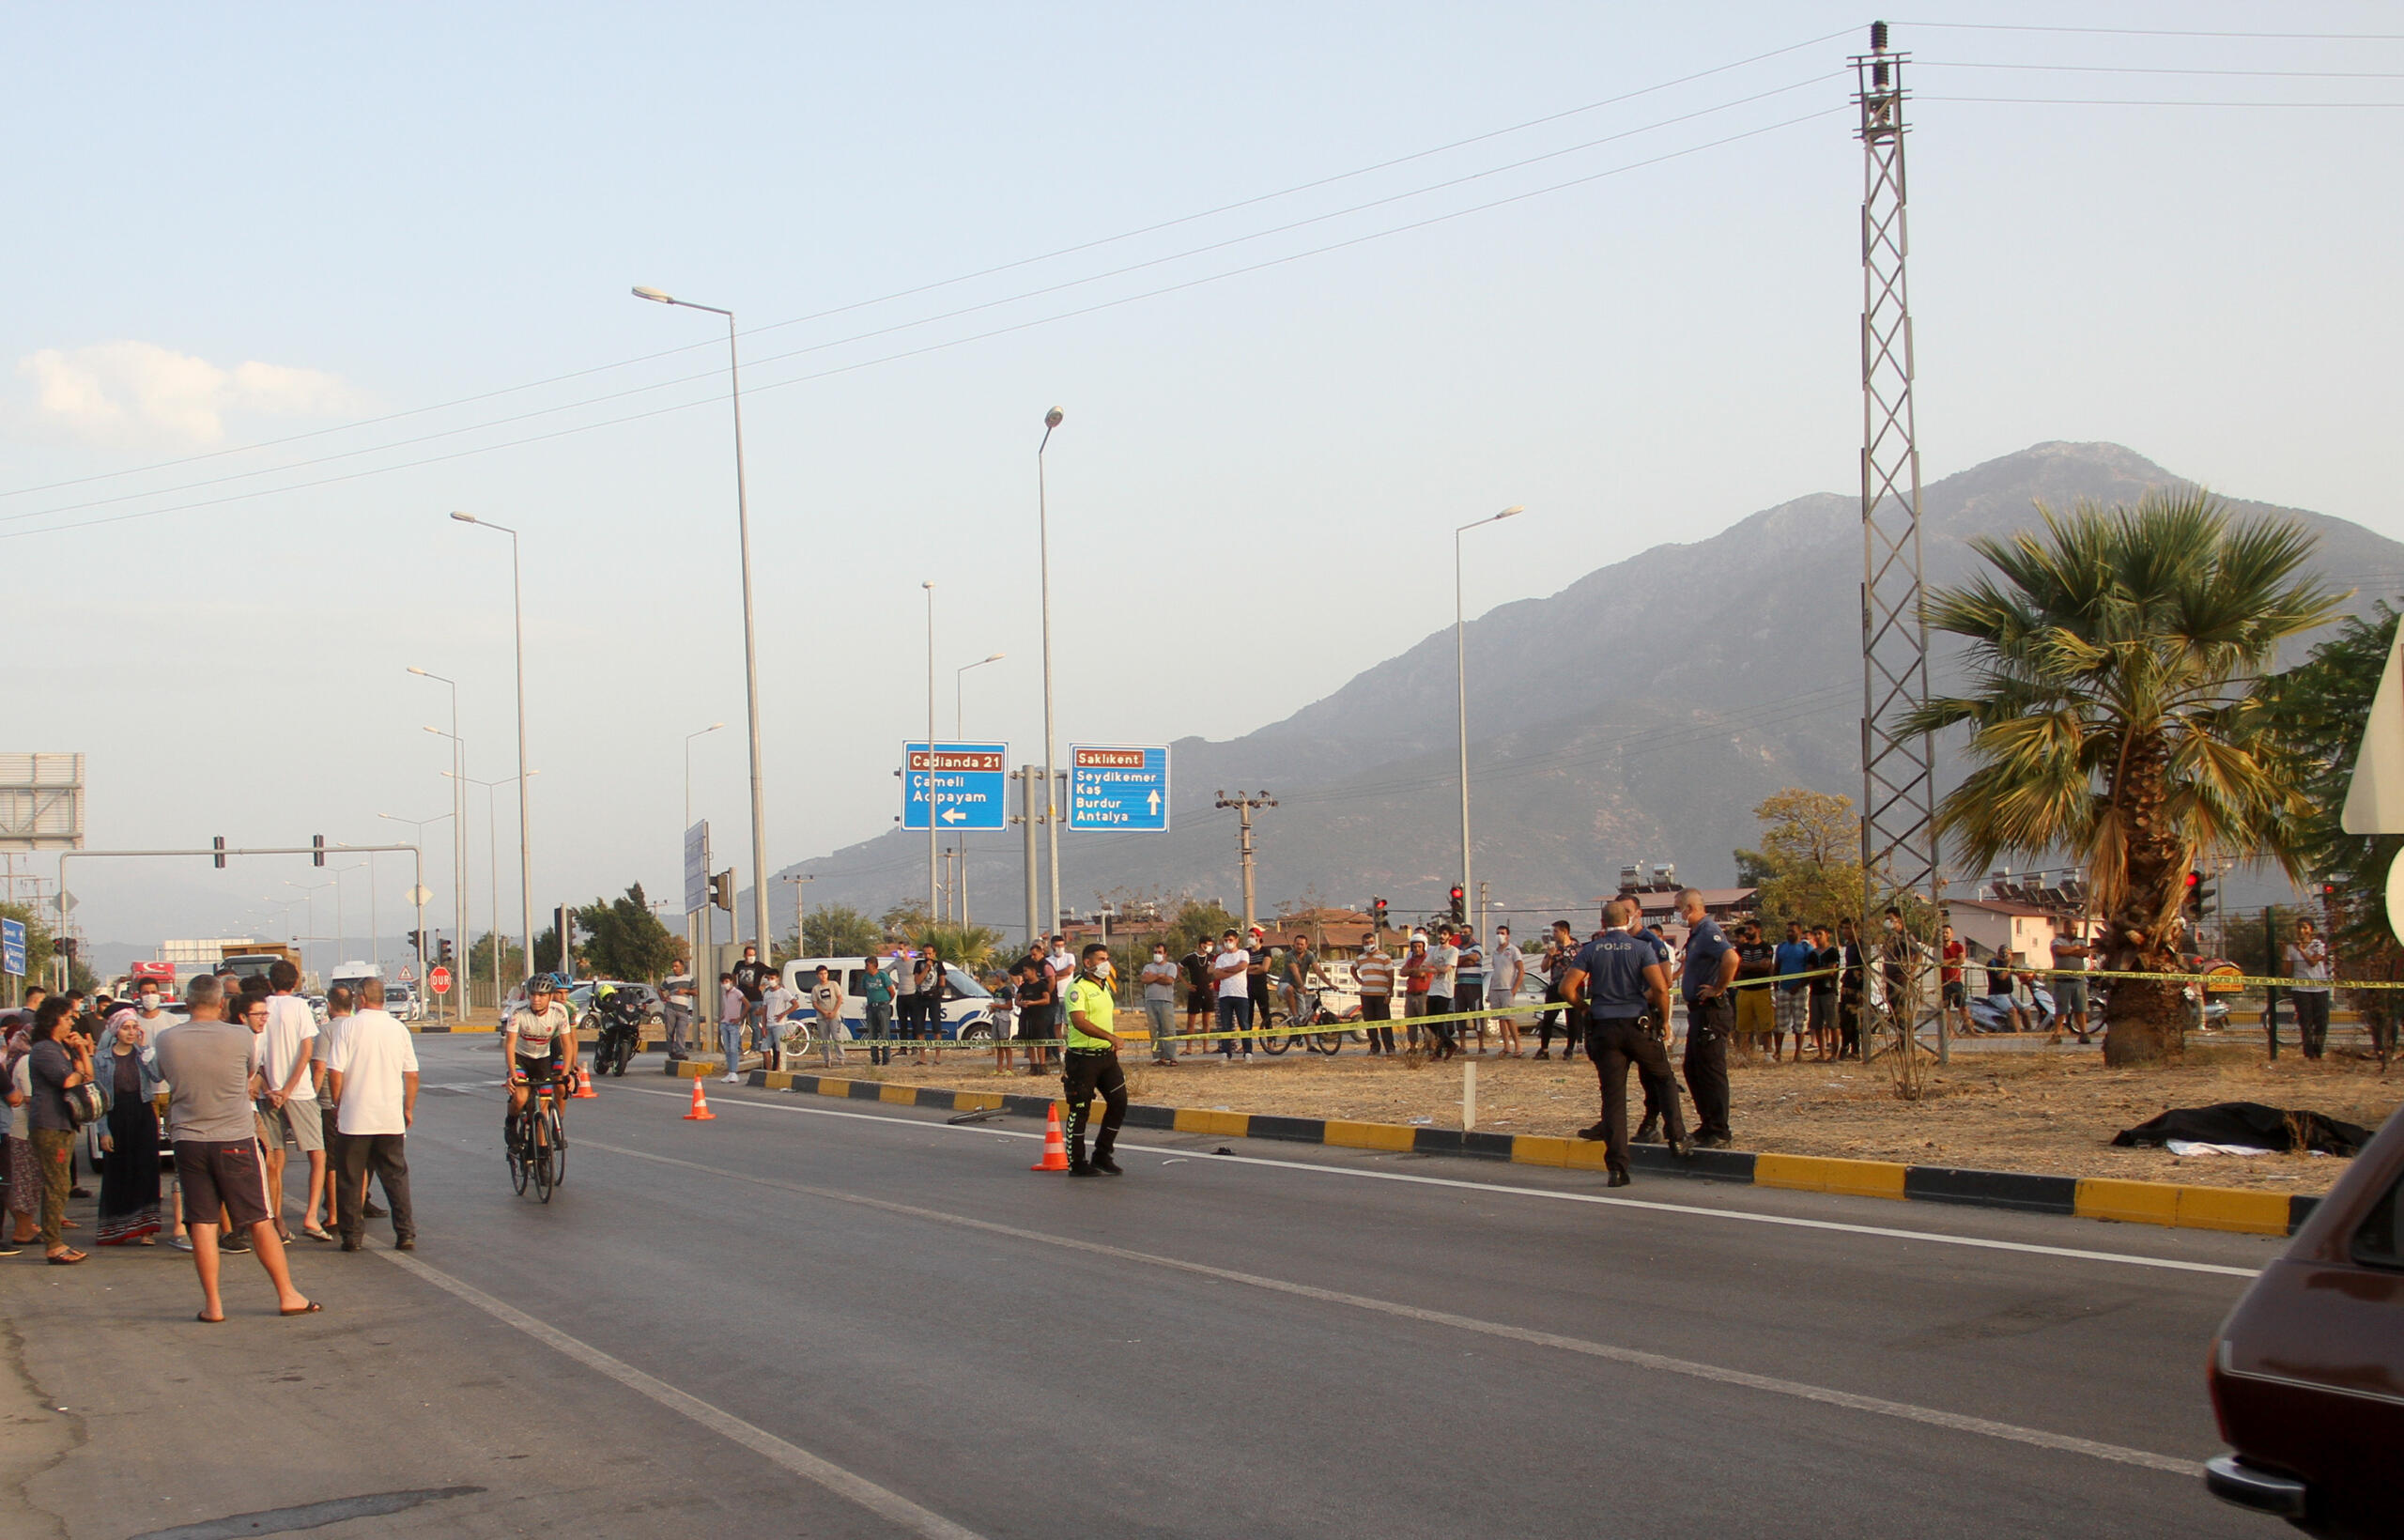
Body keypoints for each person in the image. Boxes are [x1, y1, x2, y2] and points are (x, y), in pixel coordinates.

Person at [150, 977, 316, 1317]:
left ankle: (213, 1305)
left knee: (204, 1222)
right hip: (235, 1138)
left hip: (189, 1140)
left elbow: (156, 1073)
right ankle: (287, 1294)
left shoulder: (167, 1039)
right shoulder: (242, 1037)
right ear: (222, 1003)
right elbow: (249, 1071)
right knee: (259, 1219)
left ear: (186, 1000)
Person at [1563, 898, 1689, 1187]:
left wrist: (1584, 1008)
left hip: (1605, 1030)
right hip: (1637, 1025)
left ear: (1603, 923)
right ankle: (1678, 1137)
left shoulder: (1591, 950)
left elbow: (1567, 987)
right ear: (1630, 920)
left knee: (1614, 1098)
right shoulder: (1642, 948)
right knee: (1663, 1078)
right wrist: (1665, 1020)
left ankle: (1617, 1168)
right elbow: (1659, 987)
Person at [325, 978, 418, 1253]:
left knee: (351, 1178)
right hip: (389, 1117)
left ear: (362, 998)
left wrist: (338, 1102)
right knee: (395, 1177)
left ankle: (352, 1236)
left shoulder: (348, 1027)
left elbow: (335, 1071)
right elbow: (411, 1074)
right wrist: (407, 1108)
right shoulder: (398, 1029)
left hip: (355, 1118)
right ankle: (405, 1232)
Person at [254, 959, 327, 1243]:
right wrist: (288, 1089)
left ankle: (277, 1220)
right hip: (299, 1092)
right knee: (317, 1154)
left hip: (267, 1091)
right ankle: (310, 1216)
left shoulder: (262, 1008)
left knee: (274, 1159)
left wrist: (272, 1088)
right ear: (295, 983)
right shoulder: (299, 1007)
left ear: (270, 983)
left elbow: (256, 1055)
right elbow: (306, 1051)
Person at [24, 999, 94, 1264]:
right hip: (49, 1123)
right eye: (67, 1018)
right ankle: (53, 1244)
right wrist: (76, 1071)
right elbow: (67, 1080)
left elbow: (86, 1076)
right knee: (56, 1184)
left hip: (64, 1121)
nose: (71, 1023)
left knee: (60, 1183)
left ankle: (54, 1239)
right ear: (53, 1020)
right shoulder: (44, 1050)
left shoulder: (62, 1048)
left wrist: (81, 1051)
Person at [94, 1009, 164, 1246]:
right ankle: (118, 1229)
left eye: (135, 1027)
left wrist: (145, 1050)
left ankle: (146, 1229)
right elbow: (100, 1099)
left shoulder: (142, 1054)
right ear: (116, 1030)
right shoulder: (102, 1058)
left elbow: (156, 1077)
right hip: (116, 1116)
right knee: (119, 1172)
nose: (131, 1032)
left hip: (142, 1114)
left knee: (145, 1170)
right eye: (126, 1028)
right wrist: (103, 1131)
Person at [1674, 890, 1737, 1148]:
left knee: (1711, 1070)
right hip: (1698, 1012)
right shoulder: (1696, 935)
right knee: (1693, 1068)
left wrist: (1719, 987)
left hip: (1712, 1010)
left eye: (1678, 908)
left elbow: (1731, 957)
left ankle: (1720, 1129)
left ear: (1690, 907)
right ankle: (1707, 1123)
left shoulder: (1710, 931)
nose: (1678, 914)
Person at [1061, 943, 1128, 1177]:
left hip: (1106, 1057)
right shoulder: (1076, 988)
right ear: (1087, 963)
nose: (1105, 963)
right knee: (1080, 1109)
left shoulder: (1104, 986)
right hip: (1083, 1058)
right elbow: (1079, 1021)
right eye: (1100, 959)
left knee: (1119, 1102)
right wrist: (1110, 1036)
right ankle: (1076, 1162)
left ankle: (1102, 1155)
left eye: (1107, 958)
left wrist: (1110, 1044)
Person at [504, 975, 578, 1141]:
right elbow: (510, 1044)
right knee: (521, 1097)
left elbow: (567, 1044)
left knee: (543, 1107)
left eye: (542, 995)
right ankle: (510, 1123)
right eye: (533, 994)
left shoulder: (559, 1012)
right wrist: (512, 1075)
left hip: (542, 1059)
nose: (536, 999)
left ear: (550, 996)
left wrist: (567, 1073)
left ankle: (543, 1153)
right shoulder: (518, 1011)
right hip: (521, 1058)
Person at [3, 1017, 39, 1254]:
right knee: (24, 1183)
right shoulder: (26, 1061)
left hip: (14, 1129)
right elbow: (24, 1098)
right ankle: (23, 1230)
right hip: (22, 1131)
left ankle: (25, 1228)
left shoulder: (15, 1057)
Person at [2287, 917, 2333, 1060]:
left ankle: (2318, 1051)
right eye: (2299, 927)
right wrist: (2285, 954)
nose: (2302, 931)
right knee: (2305, 1022)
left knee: (2321, 1022)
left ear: (2311, 929)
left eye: (2305, 928)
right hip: (2301, 989)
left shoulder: (2318, 945)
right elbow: (2286, 971)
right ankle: (2309, 1054)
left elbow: (2313, 962)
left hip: (2319, 987)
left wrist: (2301, 950)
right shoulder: (2291, 948)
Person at [1533, 920, 1579, 1060]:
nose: (1554, 934)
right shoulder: (1554, 949)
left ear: (1565, 931)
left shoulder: (1577, 948)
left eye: (1556, 931)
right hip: (1555, 987)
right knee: (1548, 1019)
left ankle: (1570, 1049)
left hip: (1572, 987)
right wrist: (1550, 955)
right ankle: (1544, 1049)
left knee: (1573, 1019)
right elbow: (1544, 968)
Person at [1732, 921, 1775, 1065]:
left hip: (1762, 989)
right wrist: (1756, 965)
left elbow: (1766, 965)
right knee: (1743, 1026)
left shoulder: (1766, 947)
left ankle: (1768, 1053)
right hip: (1744, 990)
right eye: (1746, 929)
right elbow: (1738, 964)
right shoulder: (1741, 948)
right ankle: (1743, 1054)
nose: (1747, 932)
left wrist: (1748, 966)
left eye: (1750, 929)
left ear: (1758, 930)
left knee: (1766, 1024)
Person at [1212, 930, 1254, 1060]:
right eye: (1226, 940)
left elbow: (1242, 966)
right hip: (1224, 995)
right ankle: (1226, 1052)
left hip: (1241, 994)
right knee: (1226, 1025)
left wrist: (1226, 969)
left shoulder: (1243, 953)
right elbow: (1217, 974)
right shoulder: (1221, 957)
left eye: (1230, 940)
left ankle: (1248, 1051)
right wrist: (1232, 970)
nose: (1228, 943)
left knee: (1244, 1024)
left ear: (1236, 940)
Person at [2049, 925, 2094, 1046]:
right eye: (2072, 928)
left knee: (2080, 1009)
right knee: (2061, 1010)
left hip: (2078, 981)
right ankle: (2057, 1034)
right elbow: (2058, 951)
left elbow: (2084, 953)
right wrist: (2074, 949)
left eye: (2076, 928)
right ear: (2066, 929)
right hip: (2062, 981)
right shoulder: (2057, 941)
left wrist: (2069, 951)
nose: (2075, 930)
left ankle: (2083, 1033)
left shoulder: (2081, 941)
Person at [1353, 934, 1396, 1055]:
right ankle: (1374, 1047)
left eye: (1371, 942)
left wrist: (1389, 993)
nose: (1368, 945)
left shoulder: (1384, 957)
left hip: (1381, 994)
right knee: (1370, 1022)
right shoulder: (1360, 958)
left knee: (1384, 1022)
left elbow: (1391, 976)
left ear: (1375, 942)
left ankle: (1390, 1048)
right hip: (1366, 994)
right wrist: (1358, 980)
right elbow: (1353, 969)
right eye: (1366, 943)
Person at [1140, 944, 1181, 1066]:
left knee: (1168, 1030)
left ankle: (1172, 1057)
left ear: (1165, 954)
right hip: (1150, 1002)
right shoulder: (1148, 966)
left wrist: (1152, 977)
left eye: (1159, 952)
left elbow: (1169, 980)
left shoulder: (1171, 966)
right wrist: (1159, 976)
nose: (1157, 954)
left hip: (1165, 1001)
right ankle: (1159, 1057)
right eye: (1155, 952)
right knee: (1155, 1031)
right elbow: (1144, 980)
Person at [1017, 947, 1056, 1076]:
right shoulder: (1023, 986)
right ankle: (1033, 1066)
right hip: (1025, 1017)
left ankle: (1042, 1065)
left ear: (1033, 971)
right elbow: (1017, 1000)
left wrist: (1034, 1003)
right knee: (1029, 1043)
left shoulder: (1041, 985)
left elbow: (1047, 999)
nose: (1025, 973)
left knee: (1040, 1042)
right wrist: (1021, 1003)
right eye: (1023, 971)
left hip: (1039, 1016)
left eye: (1026, 971)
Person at [1487, 924, 1524, 1057]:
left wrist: (1514, 988)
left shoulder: (1513, 950)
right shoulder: (1496, 952)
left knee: (1509, 1018)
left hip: (1507, 989)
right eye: (1498, 933)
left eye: (1502, 933)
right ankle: (1507, 1047)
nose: (1500, 935)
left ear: (1508, 935)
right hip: (1495, 989)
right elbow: (1495, 971)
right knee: (1500, 1019)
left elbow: (1521, 970)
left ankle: (1518, 1046)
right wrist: (1490, 991)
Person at [1424, 925, 1459, 1059]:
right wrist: (1434, 969)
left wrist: (1433, 969)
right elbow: (1424, 965)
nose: (1441, 936)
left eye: (1444, 934)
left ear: (1450, 936)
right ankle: (1449, 1044)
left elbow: (1446, 969)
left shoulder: (1453, 951)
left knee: (1439, 1022)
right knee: (1430, 1022)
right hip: (1433, 990)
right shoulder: (1434, 950)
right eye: (1440, 934)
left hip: (1445, 990)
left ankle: (1439, 1052)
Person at [1807, 925, 1841, 1061]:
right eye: (1815, 934)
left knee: (1833, 1024)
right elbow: (1808, 971)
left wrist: (1818, 972)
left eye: (1820, 933)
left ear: (1827, 935)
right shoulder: (1813, 954)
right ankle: (1821, 1053)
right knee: (1817, 1025)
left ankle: (1834, 1054)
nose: (1817, 936)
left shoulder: (1833, 952)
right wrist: (1821, 971)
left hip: (1829, 991)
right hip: (1815, 992)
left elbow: (1831, 971)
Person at [731, 945, 770, 1055]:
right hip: (742, 1000)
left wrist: (763, 986)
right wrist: (735, 986)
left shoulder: (759, 966)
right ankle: (738, 1049)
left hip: (755, 1000)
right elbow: (734, 974)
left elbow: (772, 973)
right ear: (744, 955)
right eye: (749, 955)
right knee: (737, 1024)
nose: (751, 957)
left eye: (753, 955)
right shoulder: (739, 964)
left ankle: (755, 1048)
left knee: (755, 1025)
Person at [1398, 932, 1434, 1055]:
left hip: (1423, 995)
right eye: (1414, 947)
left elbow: (1422, 973)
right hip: (1410, 994)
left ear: (1424, 946)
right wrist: (1414, 971)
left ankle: (1429, 1045)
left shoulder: (1429, 959)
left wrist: (1412, 972)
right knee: (1410, 1021)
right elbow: (1402, 972)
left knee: (1425, 1022)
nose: (1416, 949)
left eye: (1419, 946)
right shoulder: (1411, 960)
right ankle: (1412, 1046)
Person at [1455, 928, 1487, 1053]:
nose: (1463, 934)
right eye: (1461, 932)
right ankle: (1463, 1046)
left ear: (1471, 934)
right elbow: (1455, 962)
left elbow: (1474, 958)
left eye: (1466, 932)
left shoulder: (1477, 947)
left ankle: (1481, 1045)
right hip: (1460, 985)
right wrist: (1465, 960)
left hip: (1474, 985)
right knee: (1460, 1014)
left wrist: (1462, 960)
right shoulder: (1457, 949)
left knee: (1477, 1014)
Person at [861, 953, 896, 1067]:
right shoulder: (865, 977)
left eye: (868, 965)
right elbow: (865, 990)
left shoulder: (882, 975)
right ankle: (875, 1058)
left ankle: (886, 1058)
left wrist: (886, 1002)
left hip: (883, 1006)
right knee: (872, 1033)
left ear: (874, 965)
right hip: (871, 1007)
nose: (866, 967)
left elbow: (892, 991)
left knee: (884, 1032)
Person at [759, 975, 798, 1072]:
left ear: (777, 979)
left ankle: (778, 1070)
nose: (770, 981)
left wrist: (783, 1014)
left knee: (780, 1048)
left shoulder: (783, 992)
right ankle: (768, 1071)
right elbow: (764, 1010)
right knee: (764, 1048)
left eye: (772, 978)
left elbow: (795, 1004)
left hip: (779, 1025)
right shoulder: (767, 994)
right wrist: (763, 1027)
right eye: (768, 979)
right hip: (769, 1025)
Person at [1180, 939, 1214, 1048]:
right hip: (1195, 991)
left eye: (1211, 945)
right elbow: (1178, 969)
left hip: (1208, 992)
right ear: (1201, 944)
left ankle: (1206, 1047)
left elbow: (1221, 969)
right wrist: (1186, 984)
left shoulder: (1212, 957)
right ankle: (1189, 1047)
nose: (1209, 947)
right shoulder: (1190, 957)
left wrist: (1215, 982)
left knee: (1207, 1021)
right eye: (1207, 944)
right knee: (1191, 1021)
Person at [1245, 927, 1275, 1038]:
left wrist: (1251, 969)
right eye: (1248, 936)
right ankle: (1246, 1043)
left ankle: (1270, 1041)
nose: (1250, 938)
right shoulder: (1245, 952)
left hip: (1261, 987)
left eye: (1252, 936)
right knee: (1248, 1016)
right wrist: (1256, 966)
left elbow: (1264, 968)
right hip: (1248, 987)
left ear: (1259, 937)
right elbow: (1243, 968)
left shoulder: (1265, 951)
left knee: (1265, 1014)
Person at [716, 972, 746, 1081]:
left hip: (733, 1024)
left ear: (731, 982)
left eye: (727, 982)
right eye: (723, 982)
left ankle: (734, 1072)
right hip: (725, 1023)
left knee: (733, 1048)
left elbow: (747, 1004)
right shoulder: (725, 994)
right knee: (727, 1049)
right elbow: (726, 1007)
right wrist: (723, 1017)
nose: (725, 984)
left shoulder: (737, 993)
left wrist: (740, 1018)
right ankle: (730, 1072)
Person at [988, 964, 1018, 1073]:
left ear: (999, 977)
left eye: (994, 977)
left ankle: (1009, 1068)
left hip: (1004, 1019)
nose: (993, 979)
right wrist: (993, 1009)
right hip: (996, 1018)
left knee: (1005, 1044)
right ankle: (999, 1068)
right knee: (998, 1045)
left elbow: (1009, 1006)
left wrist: (997, 1006)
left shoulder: (1006, 991)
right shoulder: (996, 991)